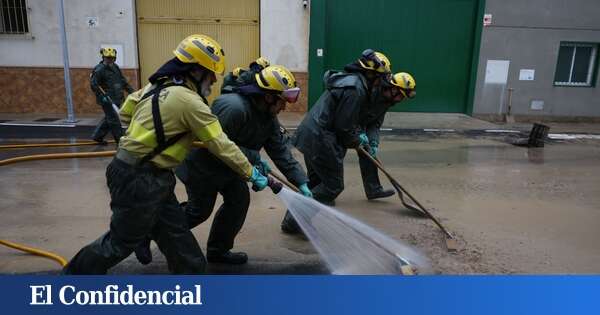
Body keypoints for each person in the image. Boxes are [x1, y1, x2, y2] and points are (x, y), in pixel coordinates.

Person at [62, 34, 270, 275]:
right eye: (210, 72)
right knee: (118, 244)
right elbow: (221, 143)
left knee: (182, 247)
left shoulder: (156, 86)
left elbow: (126, 111)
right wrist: (251, 173)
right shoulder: (190, 102)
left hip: (151, 176)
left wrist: (140, 140)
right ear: (195, 70)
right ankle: (71, 280)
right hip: (139, 179)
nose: (214, 79)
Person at [170, 64, 311, 264]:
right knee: (199, 211)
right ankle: (151, 232)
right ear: (268, 97)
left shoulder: (268, 116)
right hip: (202, 166)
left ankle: (218, 251)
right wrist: (253, 158)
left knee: (239, 200)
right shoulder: (233, 108)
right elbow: (215, 145)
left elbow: (279, 150)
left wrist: (301, 180)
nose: (284, 107)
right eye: (282, 101)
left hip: (230, 166)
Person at [281, 51, 416, 234]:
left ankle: (295, 220)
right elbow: (344, 126)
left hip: (316, 135)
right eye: (381, 76)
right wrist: (356, 138)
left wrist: (370, 142)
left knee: (316, 182)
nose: (383, 80)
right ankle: (294, 221)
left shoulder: (360, 86)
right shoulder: (356, 89)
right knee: (332, 186)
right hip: (321, 137)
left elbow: (365, 123)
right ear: (371, 74)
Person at [90, 47, 134, 145]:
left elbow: (123, 81)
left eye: (111, 58)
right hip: (107, 100)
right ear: (103, 57)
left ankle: (97, 136)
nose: (109, 59)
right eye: (107, 58)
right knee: (114, 119)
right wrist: (102, 97)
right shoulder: (99, 69)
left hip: (117, 98)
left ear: (115, 58)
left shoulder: (115, 67)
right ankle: (120, 141)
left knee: (109, 118)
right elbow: (94, 85)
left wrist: (132, 92)